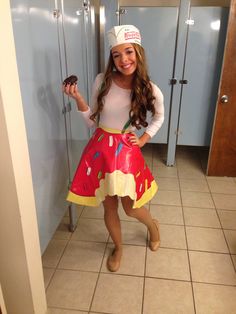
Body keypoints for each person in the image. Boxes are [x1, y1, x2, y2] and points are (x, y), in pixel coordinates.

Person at [63, 25, 164, 272]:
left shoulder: (150, 89)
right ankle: (118, 247)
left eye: (128, 52)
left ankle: (152, 226)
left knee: (131, 207)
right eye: (116, 55)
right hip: (100, 149)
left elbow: (158, 117)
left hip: (126, 151)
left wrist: (143, 139)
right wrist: (78, 99)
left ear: (138, 53)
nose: (123, 60)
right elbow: (93, 122)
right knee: (109, 205)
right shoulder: (102, 80)